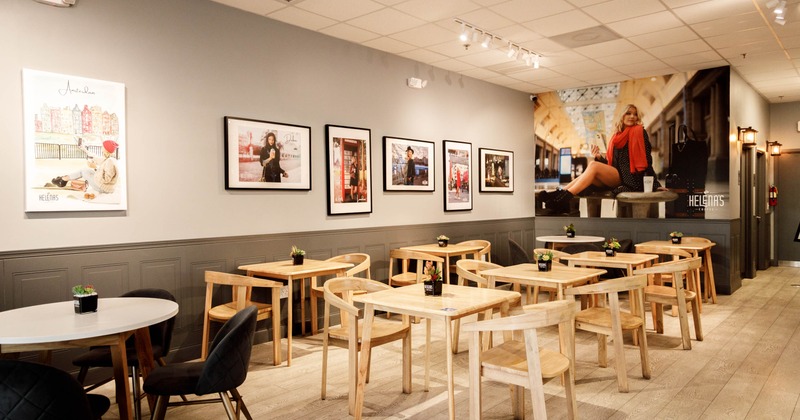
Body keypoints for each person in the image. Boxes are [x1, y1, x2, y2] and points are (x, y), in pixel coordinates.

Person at [542, 104, 660, 212]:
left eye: (635, 114)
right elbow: (611, 164)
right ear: (622, 116)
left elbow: (647, 159)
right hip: (618, 175)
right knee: (587, 173)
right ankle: (559, 194)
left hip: (632, 179)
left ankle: (562, 199)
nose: (632, 116)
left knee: (593, 166)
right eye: (628, 113)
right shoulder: (616, 137)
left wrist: (656, 184)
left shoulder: (639, 132)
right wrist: (598, 156)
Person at [52, 138, 119, 194]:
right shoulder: (108, 159)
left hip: (103, 188)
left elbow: (106, 179)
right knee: (85, 169)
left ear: (106, 149)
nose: (102, 147)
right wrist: (84, 149)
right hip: (103, 185)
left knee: (83, 171)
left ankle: (63, 180)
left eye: (103, 146)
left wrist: (95, 167)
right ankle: (63, 179)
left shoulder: (110, 161)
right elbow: (96, 157)